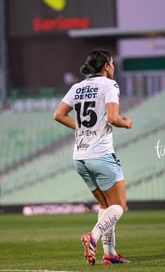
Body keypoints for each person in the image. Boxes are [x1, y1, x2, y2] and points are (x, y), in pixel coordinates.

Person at [53, 49, 132, 265]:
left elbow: (58, 115)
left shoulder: (77, 87)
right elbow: (114, 118)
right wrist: (126, 122)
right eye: (112, 63)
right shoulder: (109, 85)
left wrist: (80, 129)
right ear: (106, 66)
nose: (113, 67)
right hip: (101, 155)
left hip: (80, 157)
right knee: (119, 206)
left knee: (106, 205)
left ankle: (110, 254)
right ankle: (93, 237)